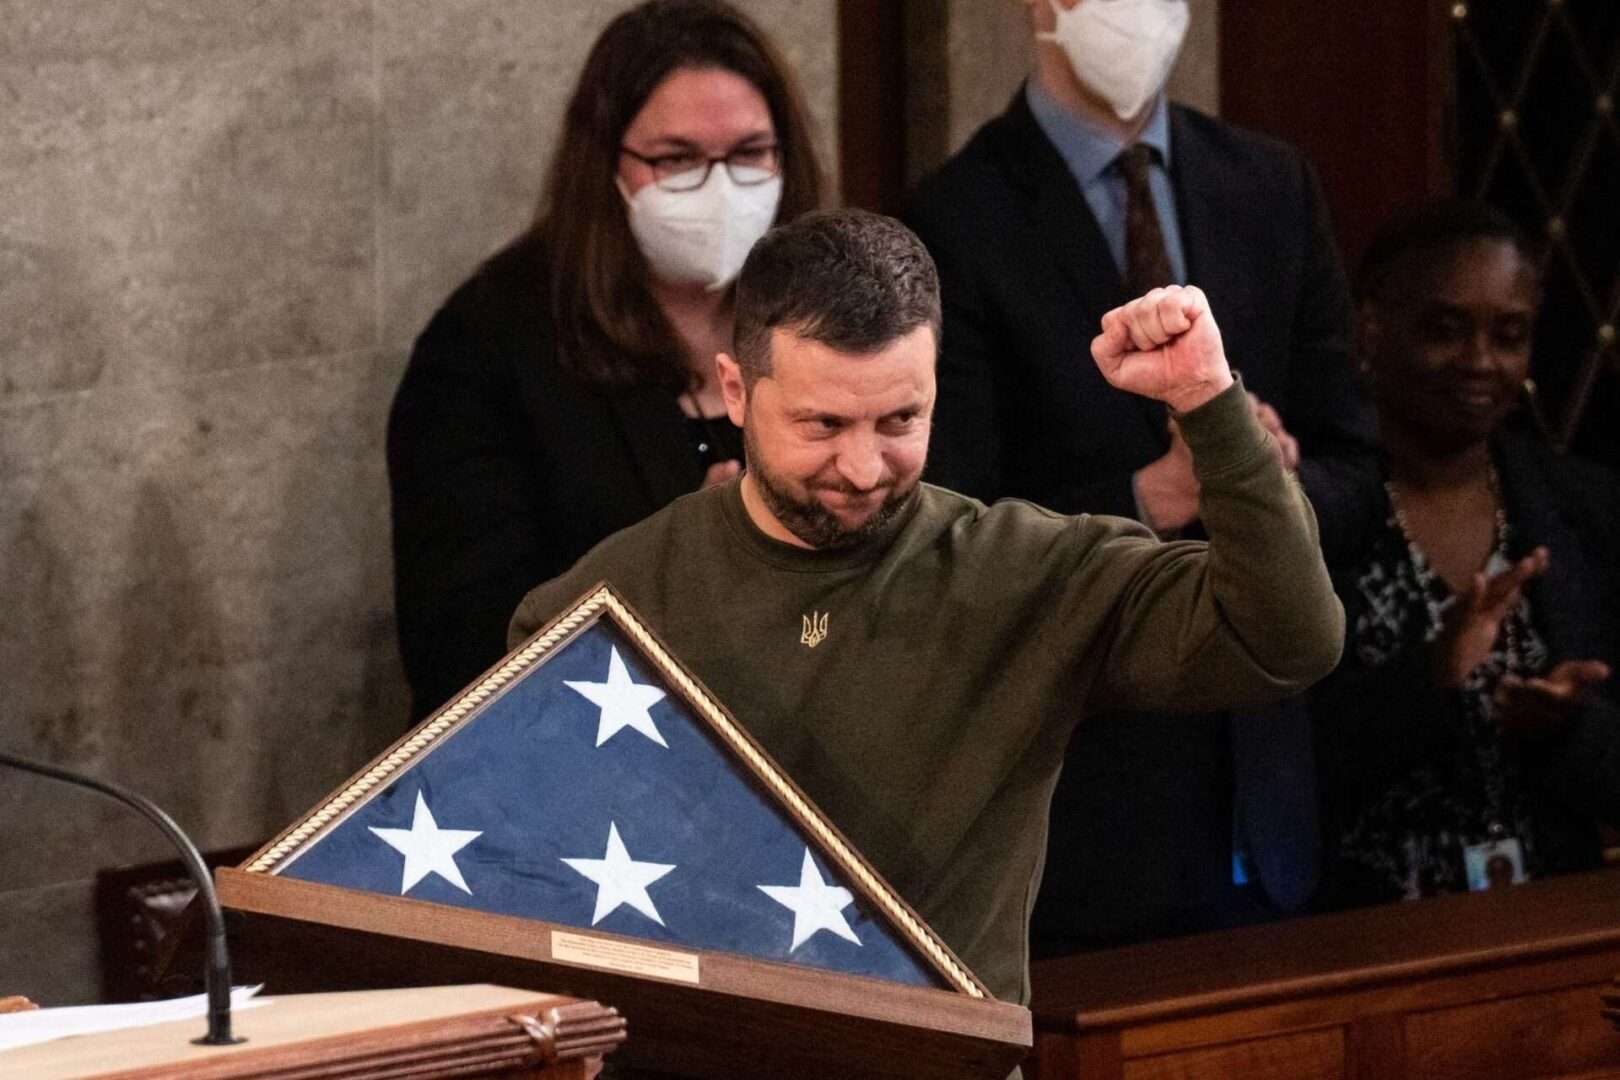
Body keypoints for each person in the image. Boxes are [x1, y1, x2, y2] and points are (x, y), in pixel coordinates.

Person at [509, 208, 1345, 1004]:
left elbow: (1286, 638)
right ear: (736, 390)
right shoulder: (598, 608)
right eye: (824, 424)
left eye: (901, 418)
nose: (865, 468)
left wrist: (1208, 401)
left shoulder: (1025, 571)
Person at [902, 0, 1380, 950]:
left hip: (1273, 780)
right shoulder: (954, 218)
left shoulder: (1269, 182)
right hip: (1086, 791)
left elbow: (1361, 470)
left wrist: (1270, 483)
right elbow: (945, 524)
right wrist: (1146, 498)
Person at [387, 0, 825, 721]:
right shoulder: (484, 351)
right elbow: (461, 649)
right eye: (677, 159)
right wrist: (687, 562)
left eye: (749, 154)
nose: (719, 189)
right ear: (606, 165)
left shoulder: (830, 313)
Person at [1311, 199, 1620, 909]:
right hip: (1354, 947)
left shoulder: (1583, 510)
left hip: (1551, 927)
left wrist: (1571, 725)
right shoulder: (1314, 514)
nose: (1481, 362)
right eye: (1445, 330)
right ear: (1372, 328)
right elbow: (1275, 777)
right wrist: (1431, 678)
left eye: (1509, 335)